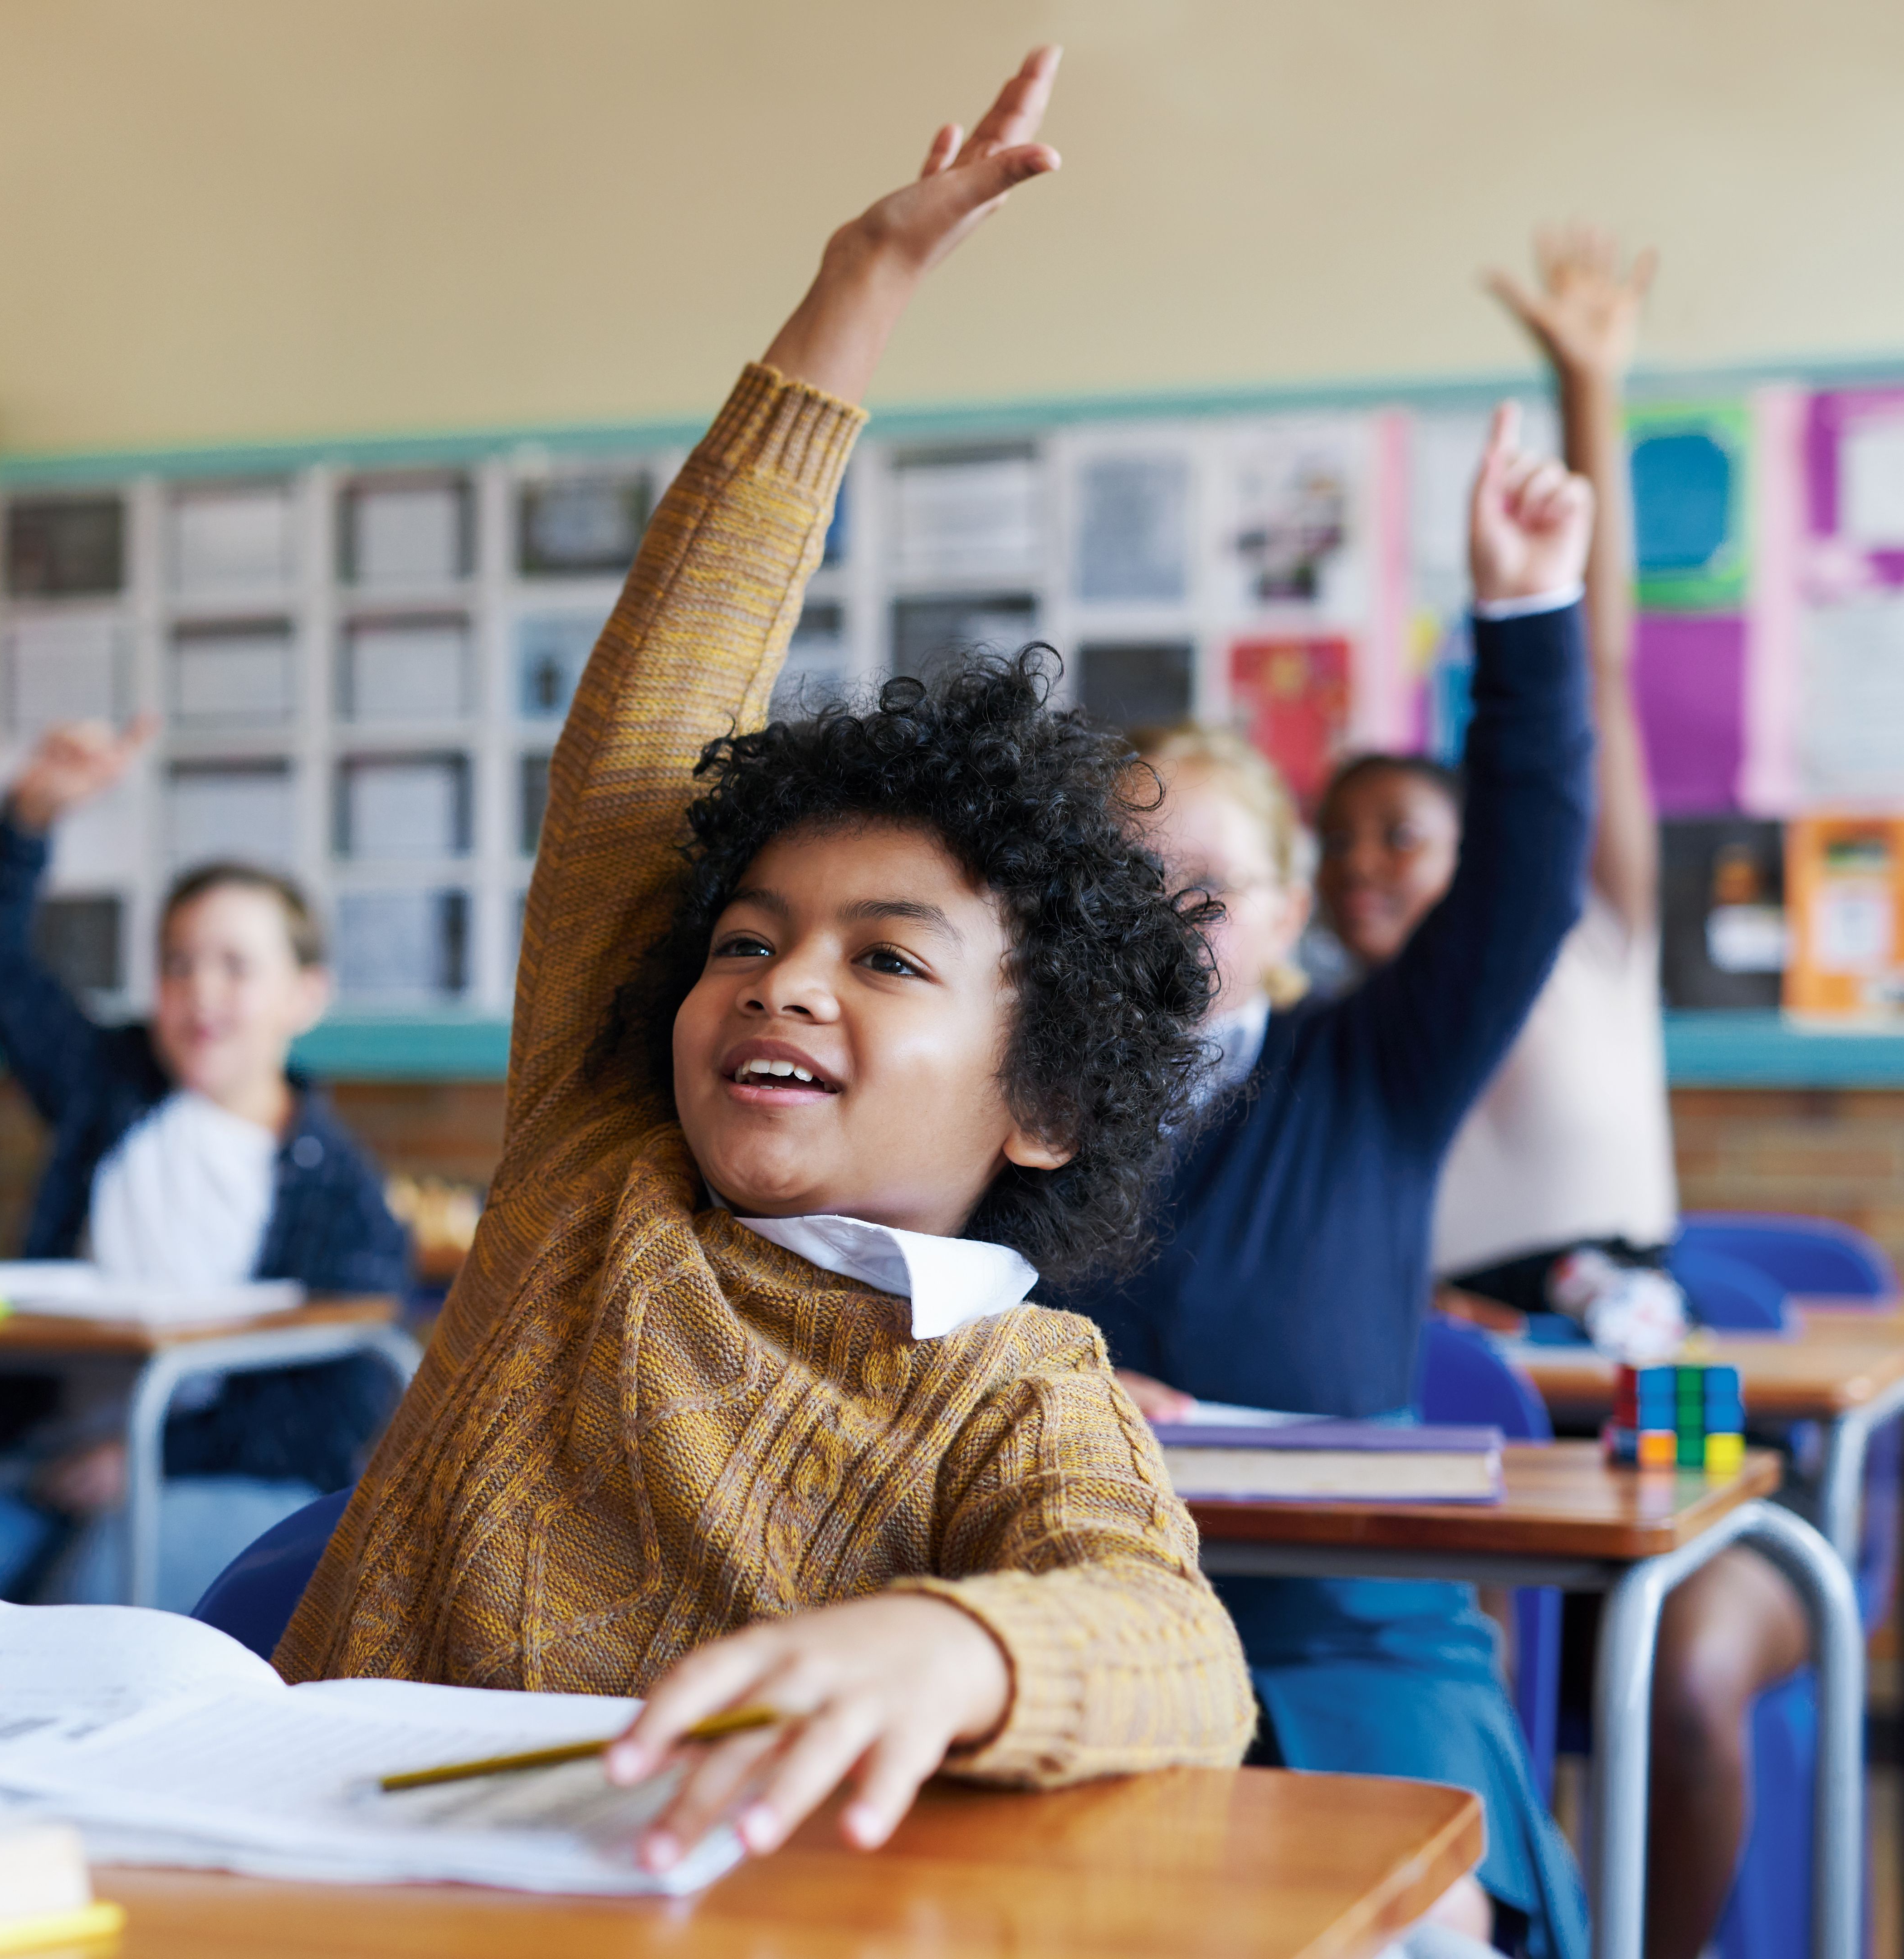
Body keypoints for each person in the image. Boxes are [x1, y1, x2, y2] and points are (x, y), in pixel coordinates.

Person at [276, 48, 1256, 1871]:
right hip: (296, 1875)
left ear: (1038, 1097)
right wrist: (855, 294)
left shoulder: (1014, 1386)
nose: (784, 980)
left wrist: (950, 1640)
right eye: (746, 939)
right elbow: (646, 742)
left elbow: (1175, 1652)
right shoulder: (597, 1166)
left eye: (886, 963)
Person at [1319, 229, 1798, 1959]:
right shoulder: (1344, 1057)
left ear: (1495, 847)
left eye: (1409, 835)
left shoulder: (1581, 941)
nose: (1369, 869)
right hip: (1462, 1451)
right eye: (1340, 846)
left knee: (1678, 1676)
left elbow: (1585, 675)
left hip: (1651, 1414)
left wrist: (1587, 382)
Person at [1088, 394, 1600, 1952]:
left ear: (1292, 902)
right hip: (1082, 1604)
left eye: (1207, 885)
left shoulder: (1374, 1065)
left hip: (1343, 1626)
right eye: (1128, 881)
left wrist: (1524, 616)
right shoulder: (1019, 1099)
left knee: (1409, 1928)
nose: (1165, 917)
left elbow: (1522, 869)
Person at [0, 714, 412, 1611]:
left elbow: (331, 1409)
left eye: (234, 965)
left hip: (221, 1476)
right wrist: (29, 818)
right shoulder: (109, 1088)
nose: (201, 992)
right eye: (178, 964)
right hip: (52, 1460)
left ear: (306, 997)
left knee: (88, 1602)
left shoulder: (342, 1192)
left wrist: (145, 1458)